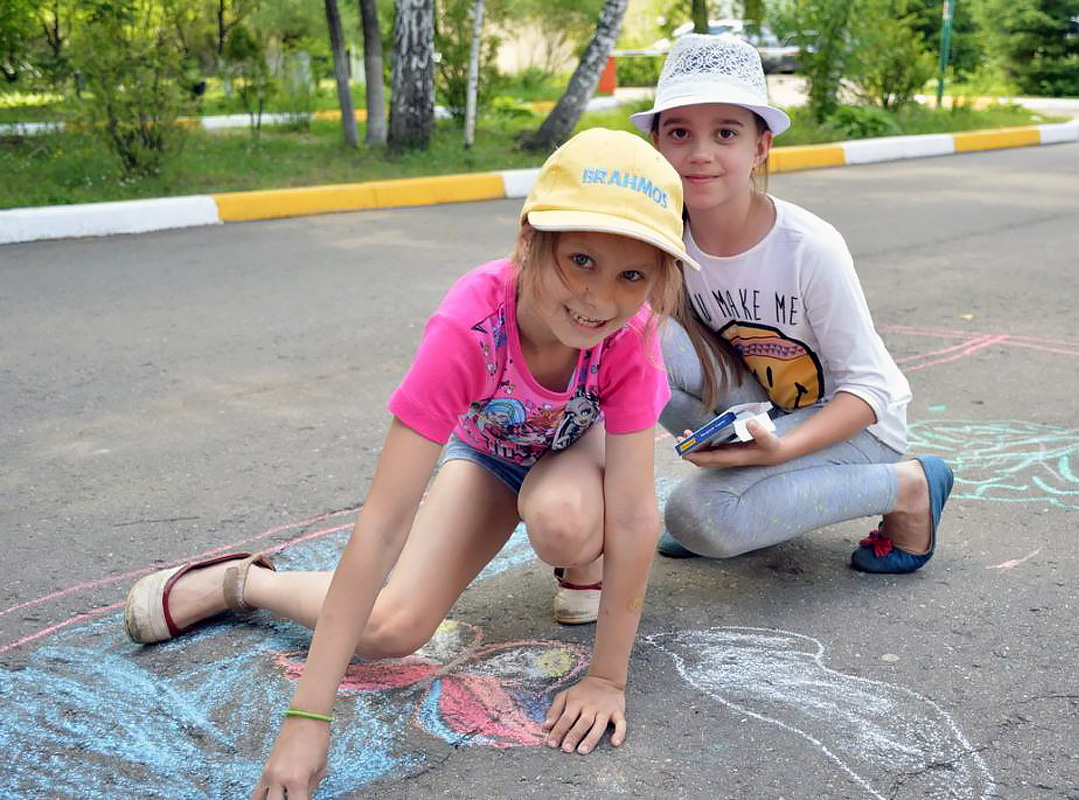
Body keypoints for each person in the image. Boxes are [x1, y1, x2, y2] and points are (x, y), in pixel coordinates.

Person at [122, 127, 699, 799]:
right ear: (529, 240)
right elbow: (383, 523)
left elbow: (631, 515)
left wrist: (606, 678)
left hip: (578, 457)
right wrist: (309, 715)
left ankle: (581, 564)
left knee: (565, 518)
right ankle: (240, 582)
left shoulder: (630, 336)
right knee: (391, 628)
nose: (599, 298)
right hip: (491, 457)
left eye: (632, 275)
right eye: (580, 260)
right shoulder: (470, 325)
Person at [629, 34, 954, 573]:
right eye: (680, 133)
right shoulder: (665, 239)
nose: (700, 153)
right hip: (762, 410)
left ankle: (910, 486)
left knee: (697, 518)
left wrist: (779, 449)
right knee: (636, 334)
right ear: (658, 145)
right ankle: (755, 495)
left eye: (725, 133)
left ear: (760, 147)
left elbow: (870, 392)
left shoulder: (808, 247)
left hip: (854, 427)